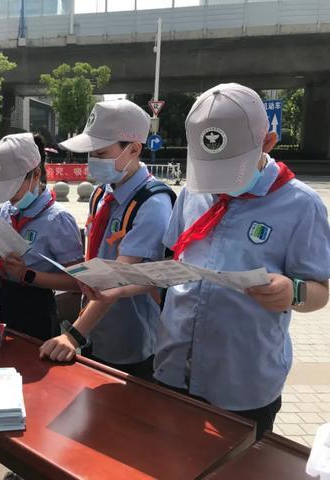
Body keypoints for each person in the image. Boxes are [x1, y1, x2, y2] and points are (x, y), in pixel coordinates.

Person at [54, 83, 330, 440]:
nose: (217, 186)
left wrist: (292, 292)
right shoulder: (192, 192)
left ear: (268, 142)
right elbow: (172, 271)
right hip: (172, 364)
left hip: (241, 380)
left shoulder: (301, 206)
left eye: (230, 169)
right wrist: (118, 288)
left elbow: (320, 291)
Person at [40, 100, 174, 381]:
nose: (93, 160)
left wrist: (73, 335)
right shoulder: (101, 193)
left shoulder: (153, 204)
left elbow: (117, 278)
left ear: (134, 149)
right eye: (91, 153)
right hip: (93, 329)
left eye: (101, 153)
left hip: (129, 341)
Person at [0, 132, 83, 341]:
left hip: (36, 308)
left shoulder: (58, 219)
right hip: (3, 298)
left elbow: (77, 282)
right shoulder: (6, 210)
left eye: (13, 189)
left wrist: (27, 274)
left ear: (35, 175)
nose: (9, 198)